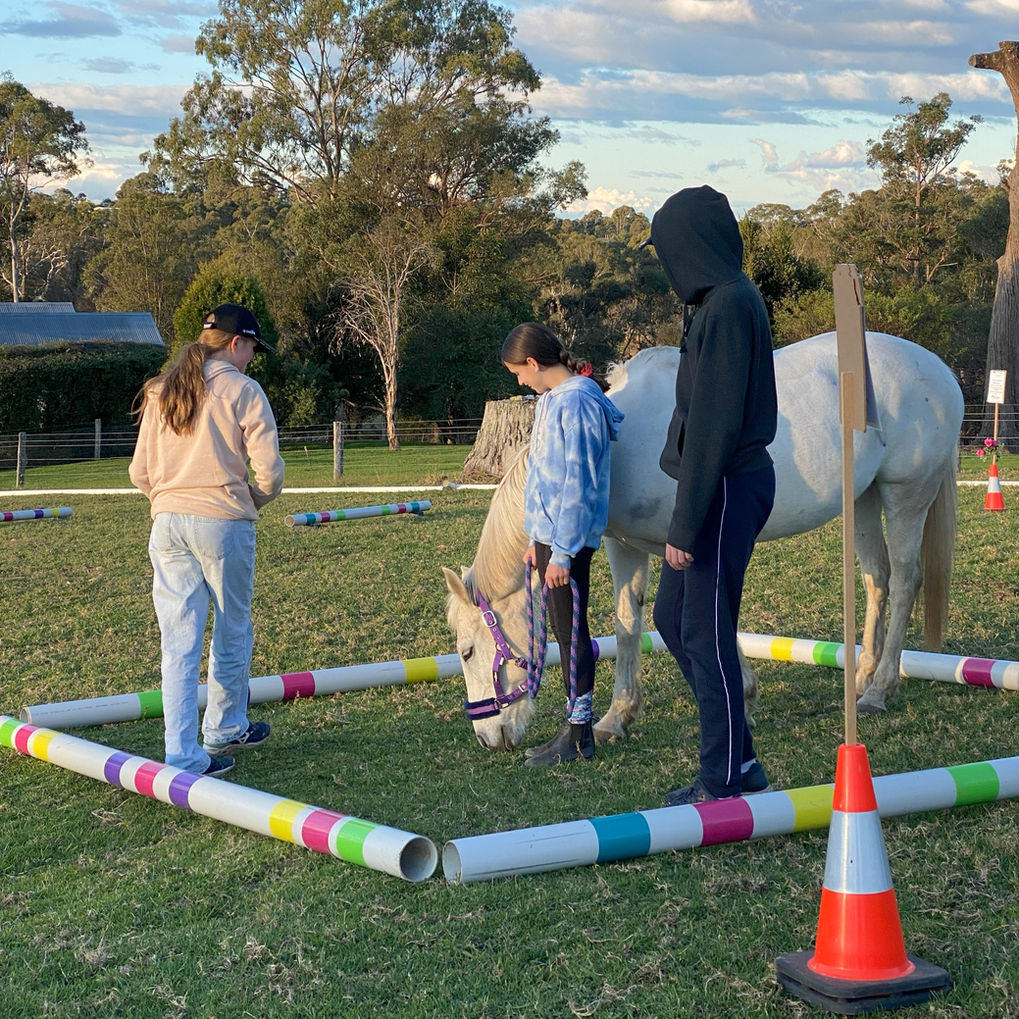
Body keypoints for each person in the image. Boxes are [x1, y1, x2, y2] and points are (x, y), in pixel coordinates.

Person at [643, 186, 778, 805]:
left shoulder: (727, 307)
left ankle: (724, 779)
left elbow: (714, 431)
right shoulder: (716, 303)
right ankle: (738, 756)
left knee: (704, 631)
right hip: (718, 485)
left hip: (723, 489)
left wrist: (683, 527)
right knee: (673, 619)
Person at [129, 303, 285, 776]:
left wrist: (168, 499)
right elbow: (271, 473)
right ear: (236, 343)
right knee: (232, 626)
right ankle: (223, 726)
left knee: (178, 641)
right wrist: (249, 501)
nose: (252, 359)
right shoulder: (243, 390)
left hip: (167, 522)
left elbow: (139, 472)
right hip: (223, 522)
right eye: (253, 349)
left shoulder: (161, 389)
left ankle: (181, 753)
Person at [501, 322, 624, 766]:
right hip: (549, 540)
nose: (519, 381)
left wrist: (564, 552)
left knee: (573, 635)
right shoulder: (552, 400)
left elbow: (579, 484)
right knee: (563, 631)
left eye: (518, 372)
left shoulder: (578, 403)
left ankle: (579, 735)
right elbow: (543, 477)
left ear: (534, 363)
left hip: (565, 544)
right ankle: (575, 728)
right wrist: (536, 541)